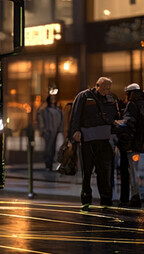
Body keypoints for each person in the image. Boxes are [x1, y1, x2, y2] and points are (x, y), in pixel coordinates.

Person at [69, 76, 116, 210]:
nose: (107, 91)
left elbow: (113, 116)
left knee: (104, 171)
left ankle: (106, 200)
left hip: (104, 140)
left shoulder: (110, 98)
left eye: (109, 88)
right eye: (105, 88)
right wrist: (75, 131)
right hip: (88, 139)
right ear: (98, 85)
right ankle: (86, 199)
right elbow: (75, 114)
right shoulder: (83, 96)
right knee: (87, 172)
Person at [117, 82, 144, 208]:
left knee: (135, 172)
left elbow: (128, 123)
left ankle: (136, 196)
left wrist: (118, 124)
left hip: (135, 146)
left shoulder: (131, 105)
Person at [36, 94, 63, 170]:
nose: (53, 100)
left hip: (56, 132)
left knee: (54, 148)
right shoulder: (44, 111)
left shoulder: (58, 111)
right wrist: (43, 130)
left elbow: (61, 121)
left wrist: (60, 130)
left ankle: (51, 162)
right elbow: (40, 120)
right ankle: (48, 163)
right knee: (48, 148)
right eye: (51, 98)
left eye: (54, 98)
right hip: (48, 131)